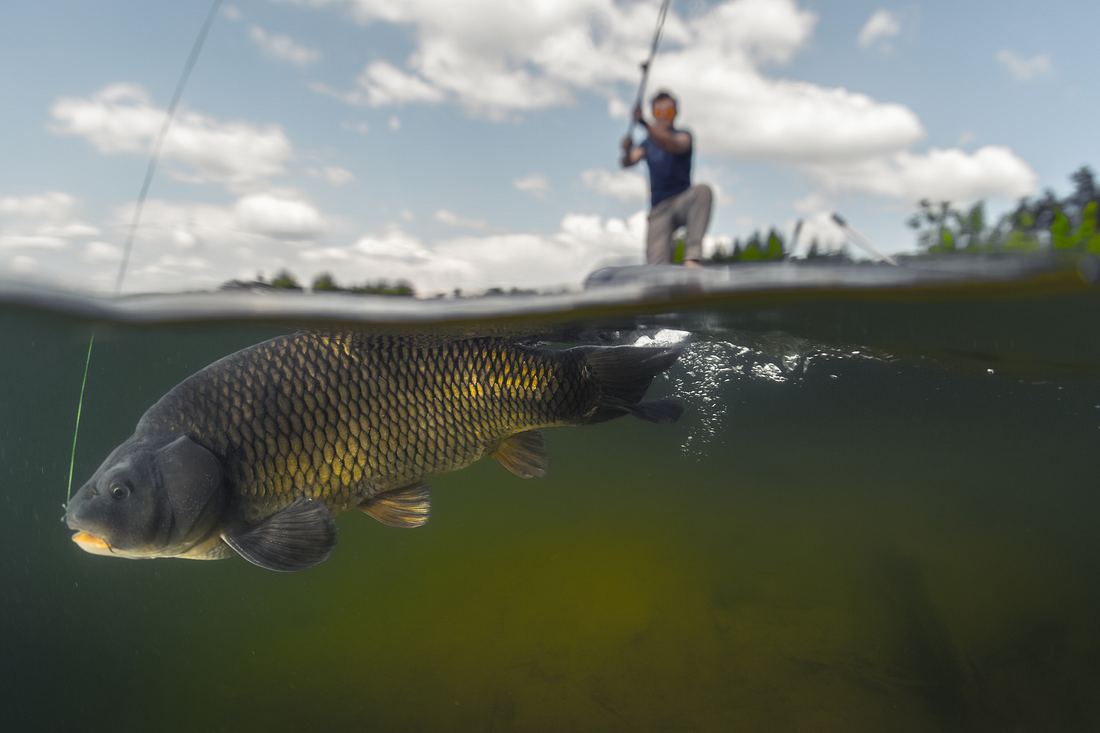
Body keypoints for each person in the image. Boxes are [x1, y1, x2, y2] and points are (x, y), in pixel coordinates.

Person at [620, 90, 713, 267]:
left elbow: (673, 144)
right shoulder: (646, 144)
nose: (663, 117)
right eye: (659, 113)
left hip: (683, 200)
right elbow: (627, 162)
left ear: (676, 113)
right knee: (656, 267)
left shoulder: (684, 136)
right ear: (654, 114)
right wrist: (626, 149)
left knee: (703, 191)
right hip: (659, 209)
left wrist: (644, 124)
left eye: (668, 112)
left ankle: (692, 258)